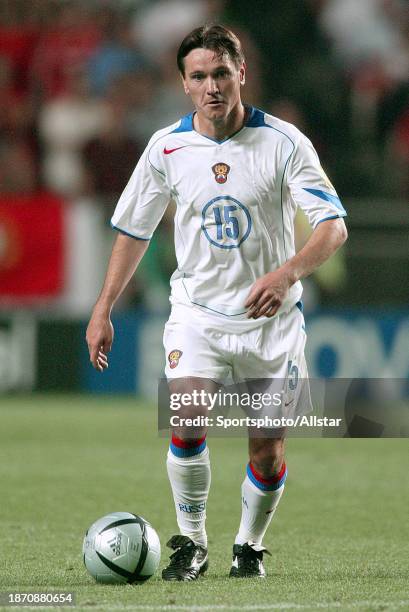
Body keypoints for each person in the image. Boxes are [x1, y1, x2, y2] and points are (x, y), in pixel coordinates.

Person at [86, 24, 348, 581]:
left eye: (221, 74)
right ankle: (192, 542)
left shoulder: (284, 142)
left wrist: (287, 272)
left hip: (270, 323)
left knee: (267, 452)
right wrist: (104, 305)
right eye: (199, 76)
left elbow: (333, 227)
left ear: (241, 74)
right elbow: (134, 230)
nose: (212, 86)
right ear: (183, 83)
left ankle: (248, 546)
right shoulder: (166, 147)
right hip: (197, 315)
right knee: (186, 418)